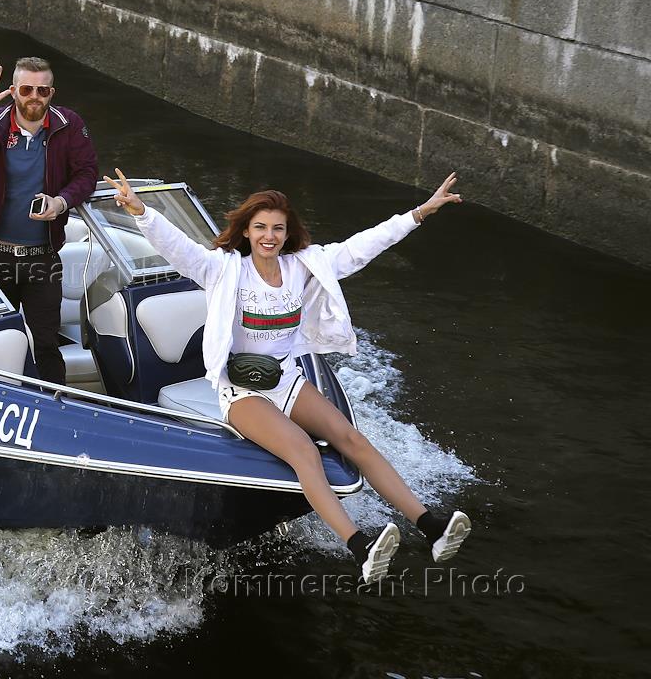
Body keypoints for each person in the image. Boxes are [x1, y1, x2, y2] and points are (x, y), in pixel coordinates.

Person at [105, 168, 472, 582]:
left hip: (286, 380)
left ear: (287, 232)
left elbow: (363, 246)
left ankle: (432, 527)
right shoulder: (223, 269)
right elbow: (178, 248)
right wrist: (140, 211)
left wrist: (420, 213)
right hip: (242, 392)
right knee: (304, 451)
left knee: (352, 439)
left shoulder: (303, 266)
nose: (269, 236)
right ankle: (360, 548)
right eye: (260, 227)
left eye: (277, 228)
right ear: (246, 231)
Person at [0, 58, 98, 384]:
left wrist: (61, 201)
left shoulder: (68, 124)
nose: (35, 97)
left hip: (42, 256)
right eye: (27, 89)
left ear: (51, 92)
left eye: (42, 90)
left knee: (47, 343)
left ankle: (57, 402)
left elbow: (87, 174)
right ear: (14, 91)